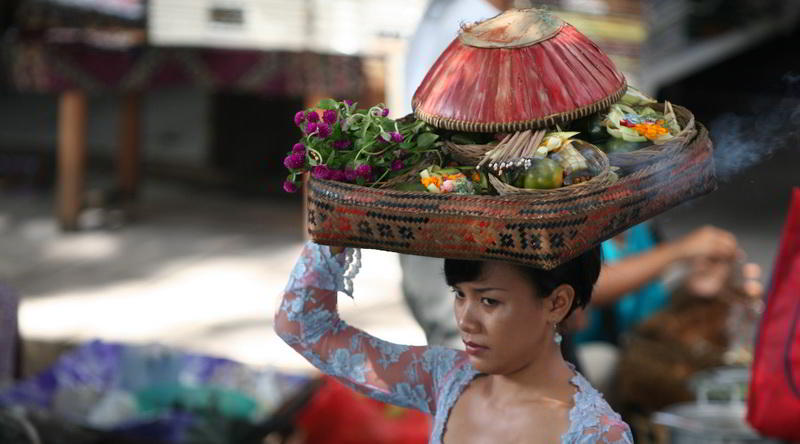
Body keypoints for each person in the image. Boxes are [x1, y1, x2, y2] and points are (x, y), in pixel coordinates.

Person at [275, 242, 633, 443]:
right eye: (460, 295)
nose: (465, 319)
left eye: (489, 300)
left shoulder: (597, 435)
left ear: (557, 303)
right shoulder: (446, 378)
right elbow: (305, 327)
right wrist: (334, 231)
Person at [400, 0, 512, 349]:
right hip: (454, 197)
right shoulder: (484, 23)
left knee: (452, 330)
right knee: (462, 337)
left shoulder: (443, 12)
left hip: (428, 189)